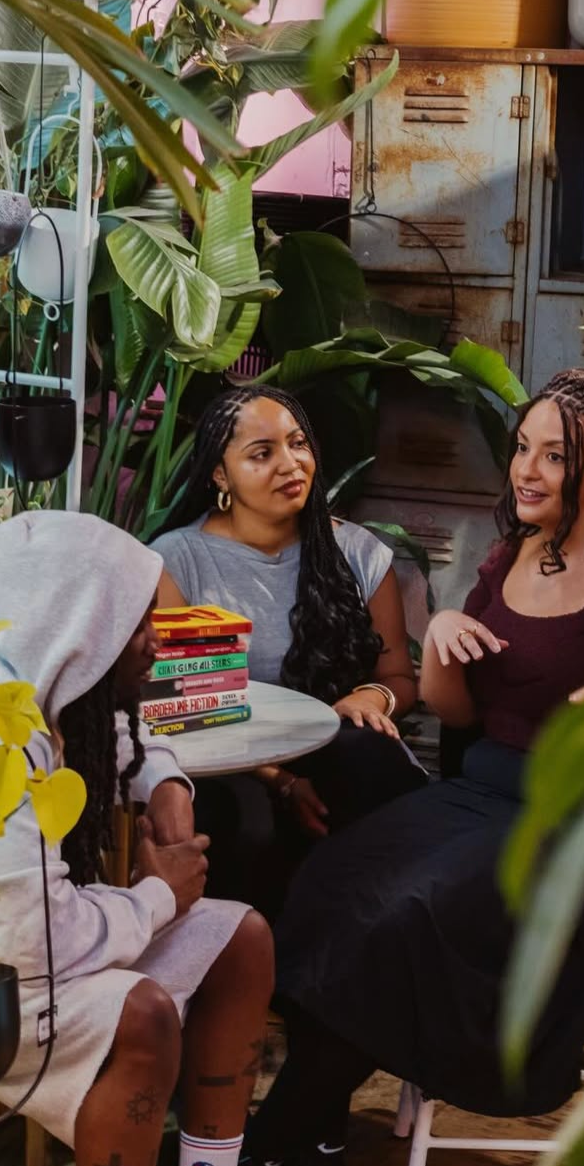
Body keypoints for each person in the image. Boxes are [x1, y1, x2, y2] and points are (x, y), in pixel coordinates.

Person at [238, 365, 584, 1166]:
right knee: (335, 884)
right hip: (477, 798)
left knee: (404, 917)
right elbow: (455, 714)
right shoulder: (513, 556)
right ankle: (311, 1146)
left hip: (578, 825)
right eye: (522, 448)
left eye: (553, 457)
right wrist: (445, 633)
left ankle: (268, 1147)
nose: (525, 470)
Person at [0, 512, 274, 1166]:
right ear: (76, 627)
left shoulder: (24, 673)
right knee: (144, 1015)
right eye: (135, 624)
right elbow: (29, 946)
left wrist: (164, 784)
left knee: (241, 940)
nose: (155, 643)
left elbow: (115, 730)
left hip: (40, 951)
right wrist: (159, 898)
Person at [150, 384, 426, 919]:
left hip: (335, 755)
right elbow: (185, 710)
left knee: (370, 761)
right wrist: (281, 781)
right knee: (232, 815)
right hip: (229, 766)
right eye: (262, 453)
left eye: (298, 444)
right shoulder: (178, 561)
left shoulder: (358, 554)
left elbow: (400, 678)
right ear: (219, 475)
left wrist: (367, 699)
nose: (290, 463)